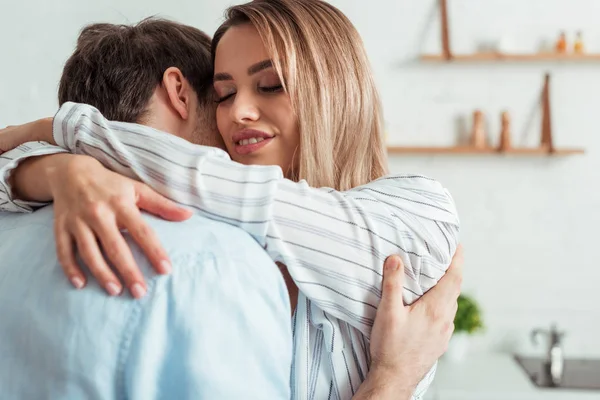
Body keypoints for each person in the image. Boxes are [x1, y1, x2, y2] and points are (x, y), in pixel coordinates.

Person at [0, 2, 461, 398]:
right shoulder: (219, 233)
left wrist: (59, 133)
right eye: (223, 93)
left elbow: (231, 188)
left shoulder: (421, 212)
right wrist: (59, 169)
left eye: (270, 85)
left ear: (335, 92)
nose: (238, 111)